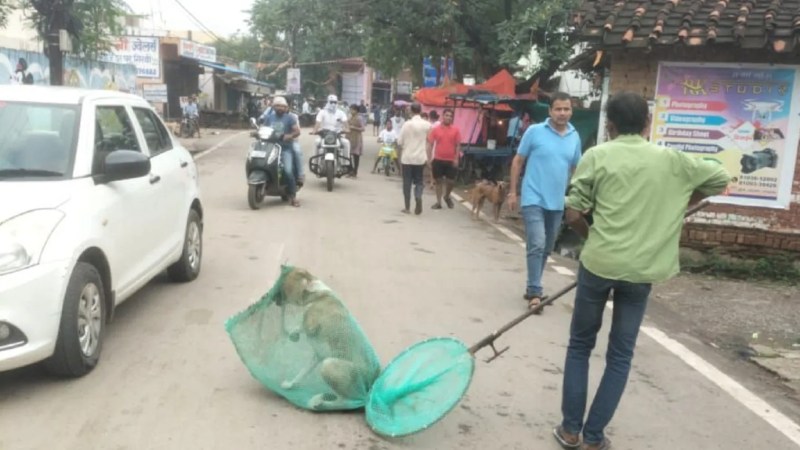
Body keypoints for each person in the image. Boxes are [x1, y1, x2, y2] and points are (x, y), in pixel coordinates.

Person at [553, 92, 731, 450]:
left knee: (580, 346)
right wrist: (679, 202)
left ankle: (570, 430)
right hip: (642, 270)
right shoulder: (673, 160)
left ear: (611, 126)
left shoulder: (598, 155)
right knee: (620, 354)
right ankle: (593, 438)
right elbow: (720, 178)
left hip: (599, 263)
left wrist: (593, 240)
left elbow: (573, 213)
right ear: (648, 124)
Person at [507, 92, 581, 309]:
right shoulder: (535, 131)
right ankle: (535, 292)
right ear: (550, 111)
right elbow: (518, 161)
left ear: (571, 111)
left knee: (547, 247)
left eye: (566, 109)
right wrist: (513, 192)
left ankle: (533, 286)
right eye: (558, 109)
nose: (562, 113)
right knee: (537, 243)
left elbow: (577, 169)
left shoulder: (574, 137)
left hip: (557, 201)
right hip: (533, 197)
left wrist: (577, 196)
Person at [261, 96, 302, 207]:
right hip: (270, 148)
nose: (280, 108)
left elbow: (297, 131)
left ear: (286, 108)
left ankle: (293, 197)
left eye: (282, 106)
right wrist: (257, 133)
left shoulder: (290, 118)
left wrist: (289, 136)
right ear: (273, 107)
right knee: (263, 165)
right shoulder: (269, 118)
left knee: (288, 171)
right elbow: (263, 129)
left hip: (285, 149)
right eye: (277, 105)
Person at [397, 103, 431, 215]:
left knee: (407, 183)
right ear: (420, 111)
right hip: (420, 158)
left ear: (411, 111)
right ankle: (418, 196)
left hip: (407, 157)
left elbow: (400, 142)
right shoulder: (427, 125)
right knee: (419, 181)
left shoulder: (407, 124)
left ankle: (407, 207)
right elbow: (429, 141)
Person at [426, 109, 461, 210]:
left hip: (451, 160)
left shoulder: (456, 130)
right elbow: (430, 144)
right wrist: (429, 158)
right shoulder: (436, 129)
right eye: (447, 115)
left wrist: (456, 159)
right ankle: (438, 202)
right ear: (443, 116)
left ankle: (447, 196)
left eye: (450, 116)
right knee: (438, 181)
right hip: (438, 159)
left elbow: (458, 145)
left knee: (451, 181)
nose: (449, 118)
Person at [312, 94, 351, 167]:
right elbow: (318, 123)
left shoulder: (341, 113)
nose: (333, 104)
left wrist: (347, 129)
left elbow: (346, 124)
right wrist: (314, 131)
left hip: (337, 134)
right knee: (316, 142)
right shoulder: (322, 112)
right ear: (328, 102)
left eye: (335, 102)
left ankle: (346, 164)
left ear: (337, 103)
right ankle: (315, 163)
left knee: (346, 143)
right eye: (331, 102)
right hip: (324, 134)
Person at [347, 104, 365, 178]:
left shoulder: (359, 118)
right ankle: (350, 170)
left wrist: (354, 127)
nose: (351, 111)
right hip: (350, 137)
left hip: (357, 138)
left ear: (356, 110)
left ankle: (355, 172)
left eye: (352, 109)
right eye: (351, 109)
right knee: (347, 154)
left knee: (356, 156)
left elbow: (363, 129)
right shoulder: (350, 118)